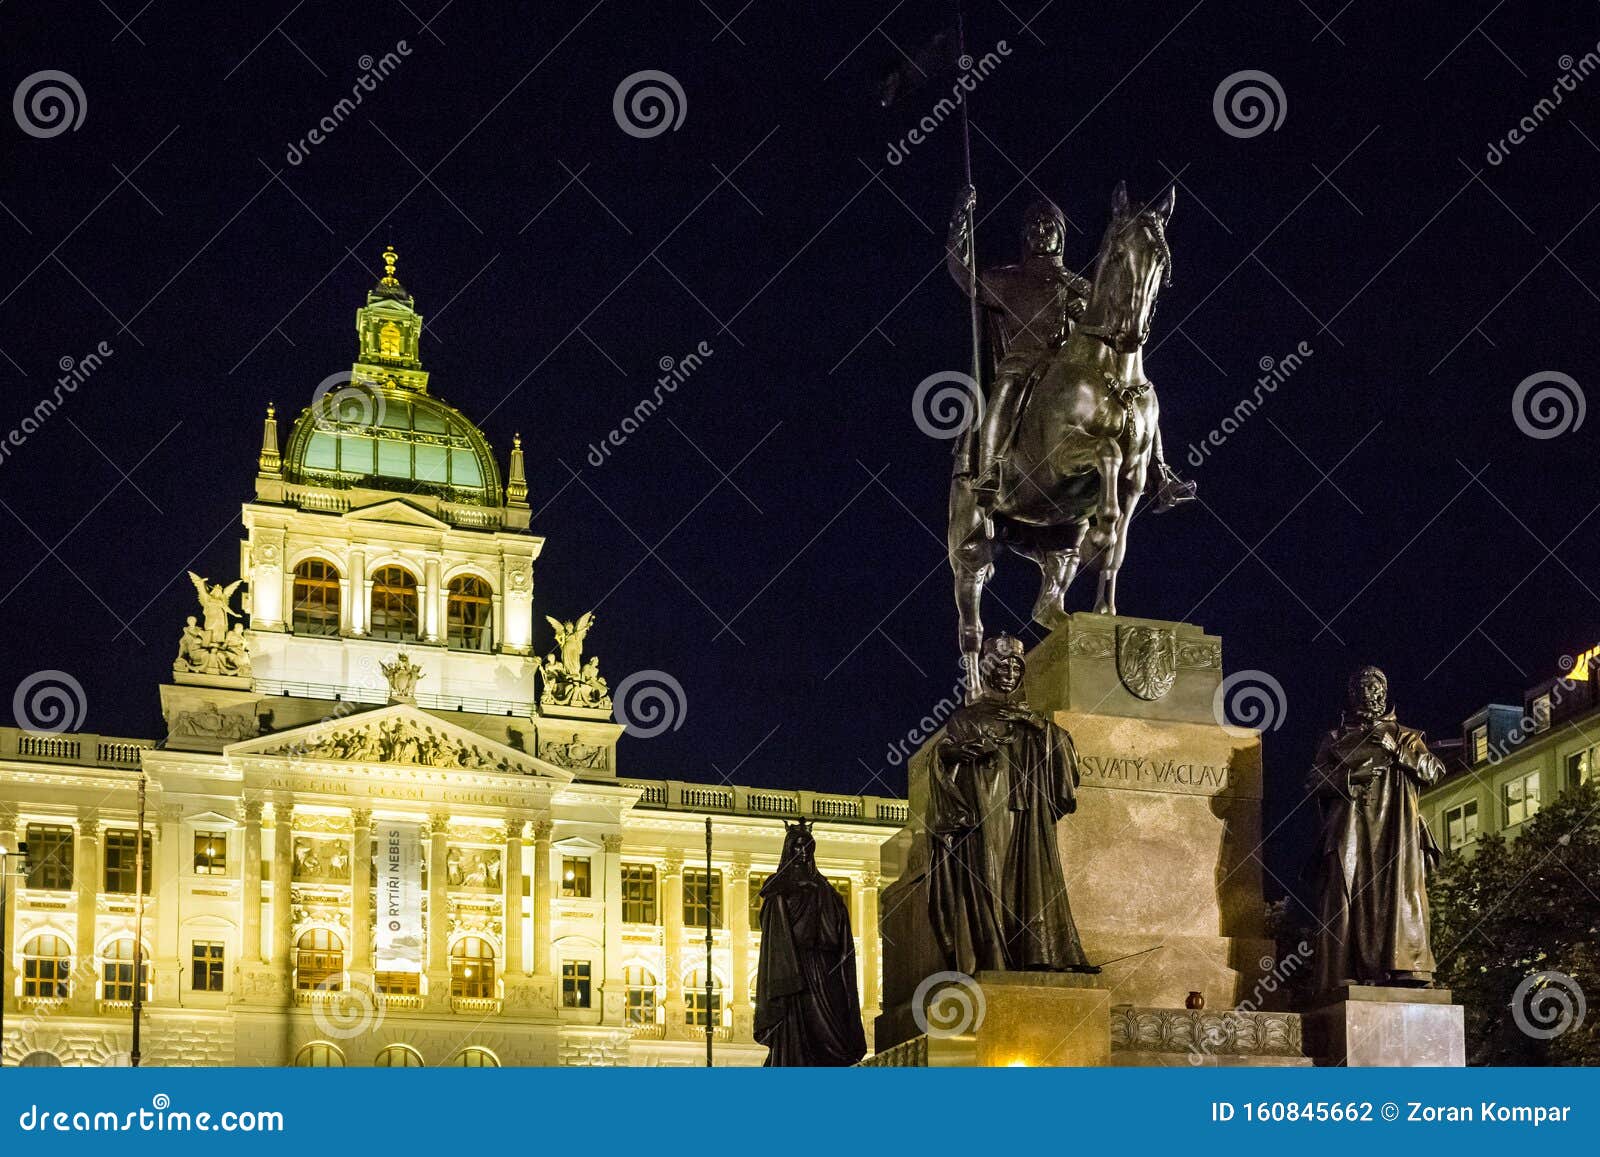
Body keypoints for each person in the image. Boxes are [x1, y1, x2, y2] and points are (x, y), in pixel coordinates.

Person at [927, 634, 1095, 973]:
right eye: (1001, 666)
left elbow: (1064, 759)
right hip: (987, 811)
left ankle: (1038, 952)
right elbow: (945, 759)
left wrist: (1039, 727)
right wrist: (950, 753)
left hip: (1027, 813)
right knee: (990, 881)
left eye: (1015, 667)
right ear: (988, 670)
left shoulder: (1035, 723)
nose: (1008, 673)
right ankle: (996, 958)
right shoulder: (966, 718)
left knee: (1033, 879)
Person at [1307, 666, 1446, 991]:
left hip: (1396, 835)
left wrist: (1398, 751)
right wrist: (1350, 778)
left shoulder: (1406, 736)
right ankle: (1346, 971)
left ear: (1383, 694)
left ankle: (1404, 969)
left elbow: (1434, 771)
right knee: (1345, 899)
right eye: (1359, 689)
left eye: (1372, 688)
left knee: (1398, 898)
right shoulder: (1335, 738)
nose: (1366, 695)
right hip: (1351, 832)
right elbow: (1313, 780)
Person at [754, 819, 868, 1066]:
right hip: (794, 967)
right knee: (801, 1027)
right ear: (789, 849)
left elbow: (840, 926)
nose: (803, 851)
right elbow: (773, 930)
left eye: (808, 846)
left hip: (826, 967)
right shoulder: (778, 887)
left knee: (832, 1028)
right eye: (797, 846)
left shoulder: (826, 888)